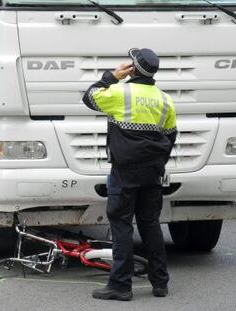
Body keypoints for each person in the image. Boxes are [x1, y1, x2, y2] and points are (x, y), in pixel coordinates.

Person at [82, 48, 177, 301]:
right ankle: (160, 284)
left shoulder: (119, 92)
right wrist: (157, 164)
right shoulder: (165, 99)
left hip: (124, 172)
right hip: (152, 173)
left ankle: (121, 286)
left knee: (122, 224)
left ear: (132, 69)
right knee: (150, 224)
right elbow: (170, 136)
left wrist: (112, 76)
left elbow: (89, 96)